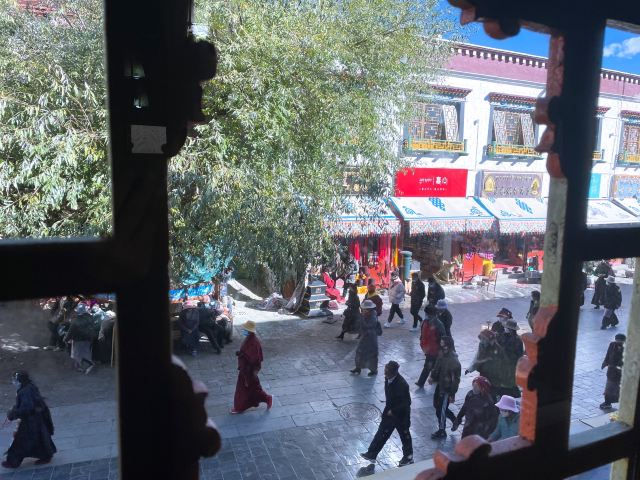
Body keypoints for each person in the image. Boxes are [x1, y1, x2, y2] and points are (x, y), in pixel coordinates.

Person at [360, 361, 414, 467]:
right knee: (381, 433)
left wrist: (393, 411)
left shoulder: (402, 384)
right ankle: (372, 454)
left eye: (387, 372)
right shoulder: (388, 379)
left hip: (401, 416)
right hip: (389, 413)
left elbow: (407, 402)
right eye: (385, 371)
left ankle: (408, 457)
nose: (385, 374)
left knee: (404, 435)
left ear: (394, 372)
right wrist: (388, 411)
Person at [2, 372, 56, 469]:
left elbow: (26, 408)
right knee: (40, 438)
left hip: (31, 421)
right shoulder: (30, 386)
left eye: (15, 380)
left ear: (20, 381)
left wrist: (12, 414)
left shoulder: (24, 392)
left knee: (21, 441)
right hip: (38, 418)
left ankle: (12, 461)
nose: (13, 382)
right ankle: (46, 455)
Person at [232, 321, 273, 414]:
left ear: (249, 331)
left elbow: (253, 358)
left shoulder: (253, 342)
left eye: (245, 329)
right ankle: (267, 398)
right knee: (253, 389)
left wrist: (242, 355)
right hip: (247, 370)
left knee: (244, 390)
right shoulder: (250, 339)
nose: (244, 330)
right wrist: (241, 353)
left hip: (248, 371)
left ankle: (239, 407)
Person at [428, 336, 461, 439]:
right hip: (440, 385)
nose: (441, 343)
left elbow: (456, 380)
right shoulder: (441, 353)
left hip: (447, 388)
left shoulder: (453, 361)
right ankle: (454, 419)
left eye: (442, 342)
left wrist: (452, 393)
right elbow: (437, 366)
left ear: (447, 345)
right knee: (437, 406)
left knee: (441, 410)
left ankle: (442, 430)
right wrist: (432, 376)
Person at [466, 330, 504, 401]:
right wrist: (470, 369)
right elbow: (477, 357)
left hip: (495, 376)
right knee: (484, 390)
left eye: (484, 339)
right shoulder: (481, 345)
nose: (482, 341)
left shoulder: (497, 348)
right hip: (484, 373)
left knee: (493, 393)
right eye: (481, 339)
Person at [415, 305, 445, 388]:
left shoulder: (438, 324)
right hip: (427, 348)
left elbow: (443, 338)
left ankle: (421, 382)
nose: (426, 315)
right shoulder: (425, 322)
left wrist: (441, 349)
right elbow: (423, 333)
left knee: (428, 365)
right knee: (434, 365)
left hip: (434, 349)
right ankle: (435, 378)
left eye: (427, 314)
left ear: (432, 314)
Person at [64, 304, 98, 374]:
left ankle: (82, 367)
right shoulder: (90, 317)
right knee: (86, 353)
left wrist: (66, 339)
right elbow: (93, 327)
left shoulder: (75, 321)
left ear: (77, 311)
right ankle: (87, 366)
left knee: (77, 354)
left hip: (78, 340)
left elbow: (70, 332)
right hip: (88, 339)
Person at [351, 299, 380, 376]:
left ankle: (374, 370)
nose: (363, 310)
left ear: (369, 309)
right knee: (359, 352)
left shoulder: (373, 316)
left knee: (372, 354)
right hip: (364, 337)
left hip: (371, 338)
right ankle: (358, 367)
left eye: (365, 309)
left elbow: (368, 326)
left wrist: (362, 318)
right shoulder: (364, 315)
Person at [496, 319, 524, 398]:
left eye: (507, 328)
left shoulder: (517, 340)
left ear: (511, 329)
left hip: (511, 365)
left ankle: (516, 397)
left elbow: (519, 355)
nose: (505, 329)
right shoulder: (503, 336)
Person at [600, 334, 625, 410]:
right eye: (617, 340)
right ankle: (607, 402)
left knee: (616, 389)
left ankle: (614, 402)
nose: (618, 341)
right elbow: (608, 354)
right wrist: (605, 363)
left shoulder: (626, 348)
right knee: (608, 388)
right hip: (611, 372)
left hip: (619, 373)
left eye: (620, 340)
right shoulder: (612, 344)